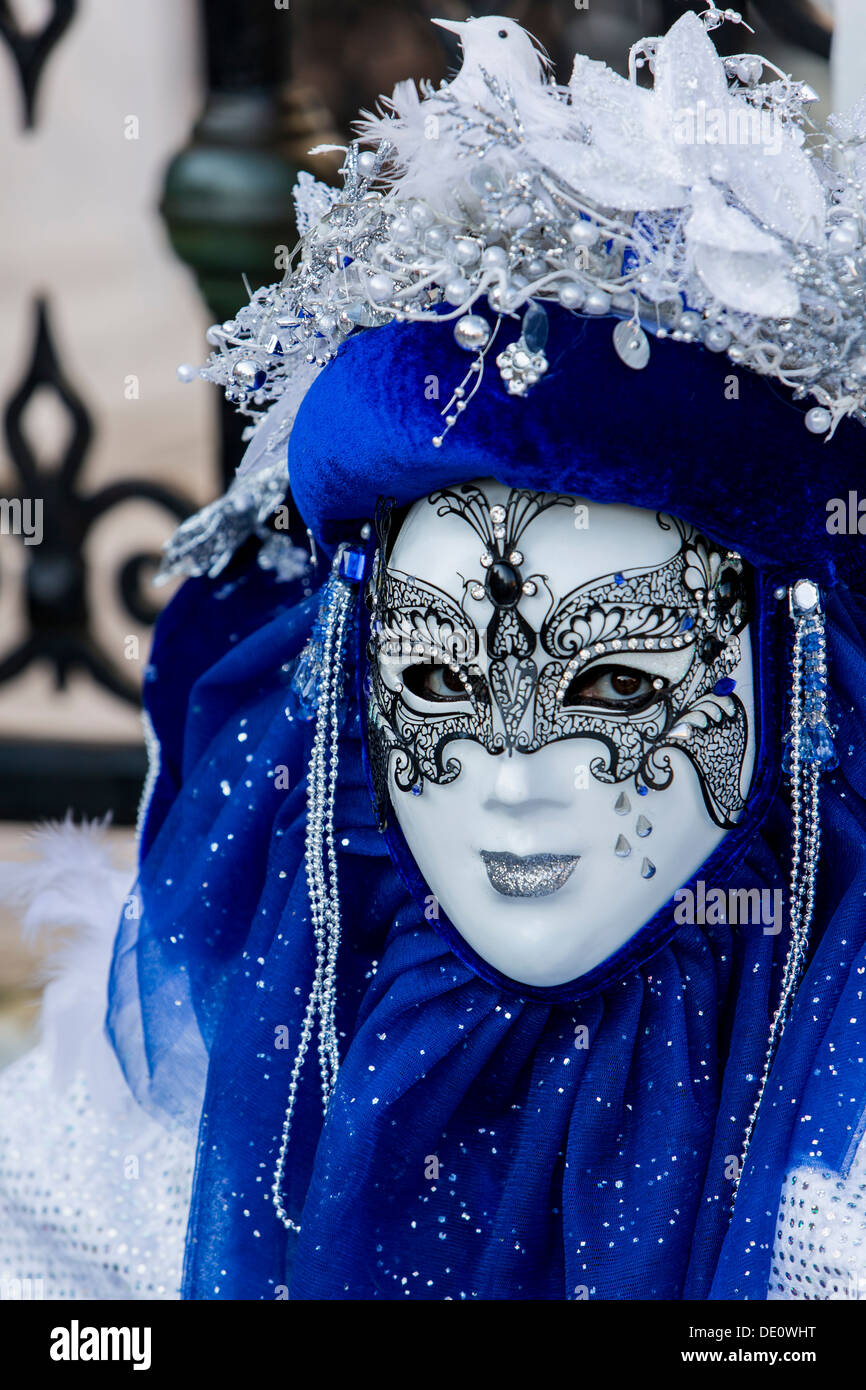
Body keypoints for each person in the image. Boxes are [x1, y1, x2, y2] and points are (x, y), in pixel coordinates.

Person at [1, 9, 865, 1301]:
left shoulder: (826, 1171)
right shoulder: (208, 1085)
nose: (511, 777)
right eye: (436, 680)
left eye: (617, 680)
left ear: (795, 678)